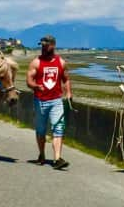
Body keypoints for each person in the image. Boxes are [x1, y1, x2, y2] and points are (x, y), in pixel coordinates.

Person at [26, 35, 72, 170]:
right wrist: (34, 86)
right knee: (41, 130)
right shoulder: (36, 62)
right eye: (42, 45)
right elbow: (29, 79)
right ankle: (41, 154)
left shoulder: (61, 62)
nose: (43, 47)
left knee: (58, 129)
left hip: (56, 101)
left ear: (53, 45)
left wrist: (69, 93)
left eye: (46, 45)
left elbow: (66, 79)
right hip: (40, 101)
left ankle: (57, 158)